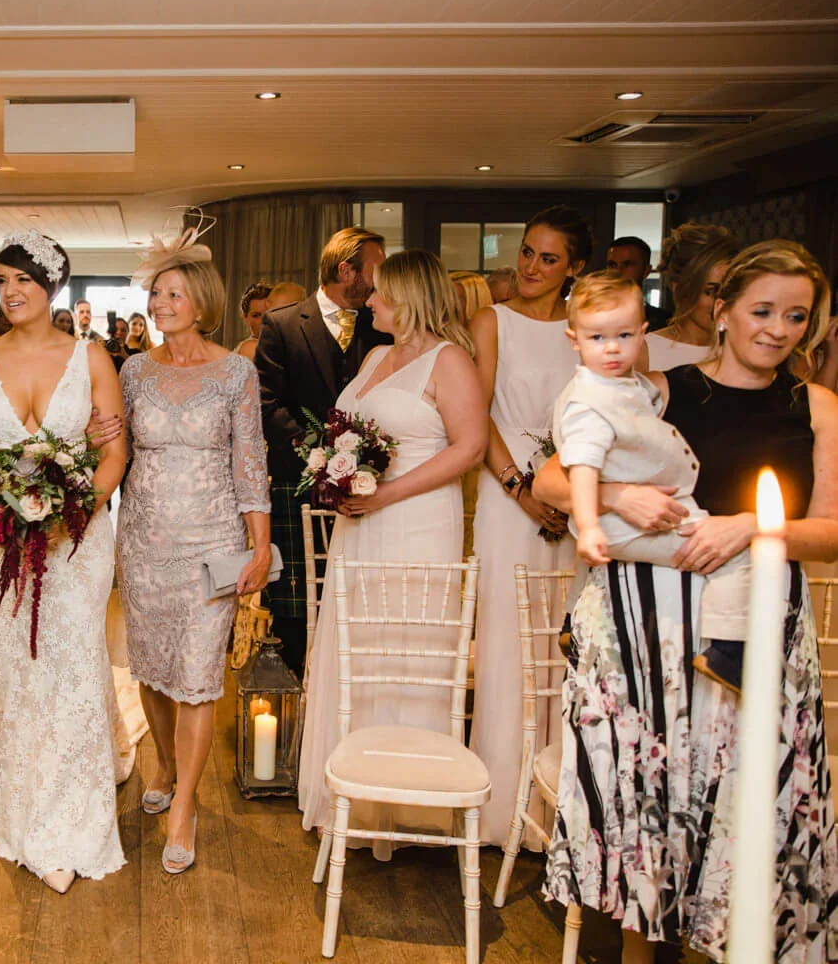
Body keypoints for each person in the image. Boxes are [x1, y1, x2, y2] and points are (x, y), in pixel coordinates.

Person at [533, 239, 838, 964]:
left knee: (751, 795)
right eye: (761, 310)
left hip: (760, 623)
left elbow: (830, 532)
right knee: (654, 795)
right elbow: (551, 479)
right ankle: (645, 953)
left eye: (796, 317)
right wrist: (616, 495)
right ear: (722, 310)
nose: (777, 329)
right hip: (652, 624)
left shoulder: (817, 407)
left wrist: (753, 527)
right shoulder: (659, 389)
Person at [0, 230, 129, 895]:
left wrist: (73, 511)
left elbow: (114, 453)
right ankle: (23, 799)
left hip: (79, 541)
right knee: (19, 664)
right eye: (3, 280)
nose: (12, 291)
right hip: (0, 540)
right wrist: (2, 512)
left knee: (74, 660)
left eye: (23, 280)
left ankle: (69, 814)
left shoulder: (92, 358)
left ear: (51, 285)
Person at [296, 250, 488, 855]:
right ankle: (353, 789)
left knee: (405, 648)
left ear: (408, 296)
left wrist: (388, 493)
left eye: (380, 294)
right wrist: (337, 476)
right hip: (365, 527)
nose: (370, 300)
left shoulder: (450, 360)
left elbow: (471, 448)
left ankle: (405, 808)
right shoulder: (378, 356)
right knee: (361, 647)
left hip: (415, 526)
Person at [117, 235, 270, 875]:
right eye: (156, 293)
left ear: (201, 303)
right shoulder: (132, 372)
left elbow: (250, 462)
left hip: (213, 541)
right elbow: (116, 452)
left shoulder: (236, 373)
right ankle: (164, 761)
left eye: (174, 293)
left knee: (199, 674)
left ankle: (186, 805)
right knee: (152, 668)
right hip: (144, 540)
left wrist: (260, 545)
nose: (161, 303)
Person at [552, 272, 746, 691]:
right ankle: (732, 652)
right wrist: (587, 527)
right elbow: (582, 470)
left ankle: (572, 621)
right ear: (574, 340)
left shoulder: (628, 385)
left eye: (623, 335)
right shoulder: (589, 403)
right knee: (733, 553)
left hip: (632, 522)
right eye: (597, 338)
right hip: (628, 524)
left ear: (643, 334)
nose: (612, 348)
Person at [466, 205, 587, 845]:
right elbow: (476, 414)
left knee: (565, 648)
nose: (532, 267)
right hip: (505, 497)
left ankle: (559, 815)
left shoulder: (587, 331)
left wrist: (571, 492)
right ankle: (498, 810)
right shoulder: (493, 321)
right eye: (527, 252)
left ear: (575, 269)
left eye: (549, 258)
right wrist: (520, 487)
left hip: (575, 509)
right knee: (509, 644)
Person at [256, 227, 390, 676]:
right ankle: (300, 703)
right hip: (297, 486)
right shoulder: (283, 324)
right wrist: (318, 458)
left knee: (360, 600)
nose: (381, 278)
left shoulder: (383, 327)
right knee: (297, 608)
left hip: (370, 491)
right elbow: (265, 404)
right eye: (376, 267)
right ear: (346, 269)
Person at [644, 222, 738, 371]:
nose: (721, 302)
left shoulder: (742, 351)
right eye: (711, 291)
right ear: (679, 288)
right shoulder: (645, 351)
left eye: (729, 292)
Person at [234, 282, 272, 360]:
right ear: (246, 319)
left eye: (268, 314)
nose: (263, 320)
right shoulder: (251, 349)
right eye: (256, 315)